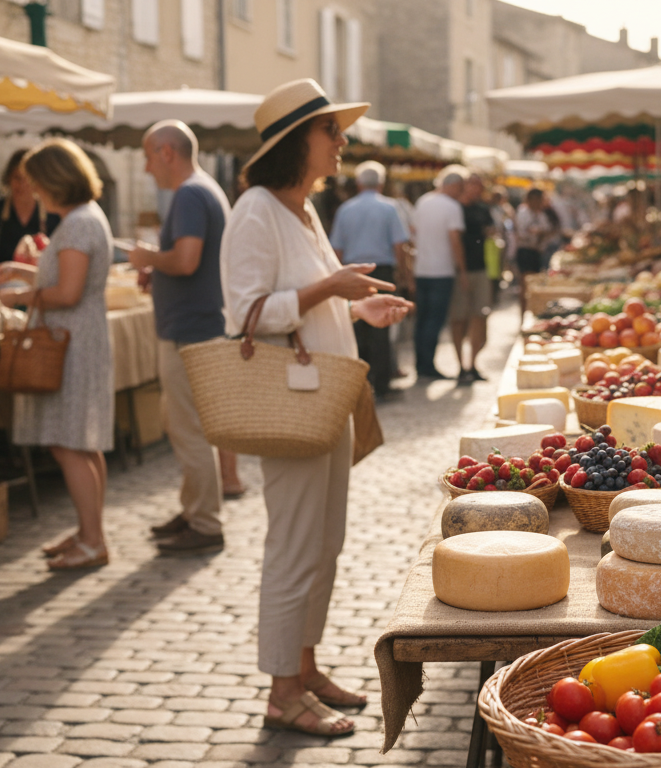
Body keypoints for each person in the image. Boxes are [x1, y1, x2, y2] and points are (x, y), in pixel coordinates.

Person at [219, 78, 412, 737]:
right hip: (291, 399)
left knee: (324, 543)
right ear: (296, 140)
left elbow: (304, 299)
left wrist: (357, 306)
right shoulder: (254, 209)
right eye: (331, 131)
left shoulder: (301, 210)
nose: (342, 142)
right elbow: (244, 314)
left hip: (324, 394)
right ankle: (281, 692)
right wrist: (332, 283)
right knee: (296, 545)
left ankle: (304, 667)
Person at [0, 139, 114, 571]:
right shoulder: (83, 218)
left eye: (38, 183)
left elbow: (67, 291)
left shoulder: (77, 224)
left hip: (71, 342)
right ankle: (89, 531)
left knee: (69, 445)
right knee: (84, 443)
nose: (35, 192)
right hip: (78, 338)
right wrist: (22, 271)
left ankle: (92, 540)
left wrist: (22, 294)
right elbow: (63, 272)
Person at [126, 120, 233, 556]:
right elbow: (191, 264)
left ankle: (204, 521)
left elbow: (186, 261)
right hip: (196, 325)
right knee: (184, 426)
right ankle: (194, 511)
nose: (147, 166)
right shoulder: (201, 189)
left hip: (190, 331)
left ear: (167, 152)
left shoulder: (190, 193)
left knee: (188, 430)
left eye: (149, 155)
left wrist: (148, 256)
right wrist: (159, 272)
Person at [330, 160, 411, 400]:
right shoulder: (389, 208)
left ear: (358, 183)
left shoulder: (346, 209)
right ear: (382, 183)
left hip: (353, 272)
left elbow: (337, 248)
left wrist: (338, 277)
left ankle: (361, 382)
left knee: (357, 327)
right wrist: (403, 274)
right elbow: (399, 245)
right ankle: (382, 384)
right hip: (382, 272)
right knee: (382, 329)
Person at [412, 165, 468, 381]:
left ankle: (421, 364)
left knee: (423, 319)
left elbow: (413, 232)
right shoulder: (451, 206)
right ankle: (427, 366)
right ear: (453, 185)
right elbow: (455, 240)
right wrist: (462, 270)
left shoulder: (423, 201)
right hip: (441, 271)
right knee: (434, 320)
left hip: (422, 269)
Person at [0, 149, 62, 270]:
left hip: (40, 284)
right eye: (17, 178)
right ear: (8, 178)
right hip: (1, 284)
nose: (22, 185)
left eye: (27, 179)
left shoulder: (53, 214)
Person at [451, 172, 493, 384]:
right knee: (458, 318)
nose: (477, 189)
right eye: (473, 184)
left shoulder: (483, 209)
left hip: (481, 268)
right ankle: (461, 366)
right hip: (459, 271)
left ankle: (472, 364)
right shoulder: (454, 208)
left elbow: (490, 232)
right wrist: (462, 271)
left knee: (480, 316)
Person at [513, 187, 552, 316]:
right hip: (525, 251)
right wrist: (537, 232)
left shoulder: (540, 214)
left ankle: (532, 312)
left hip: (536, 252)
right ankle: (523, 315)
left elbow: (547, 230)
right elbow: (522, 233)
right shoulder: (523, 213)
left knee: (534, 284)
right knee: (525, 285)